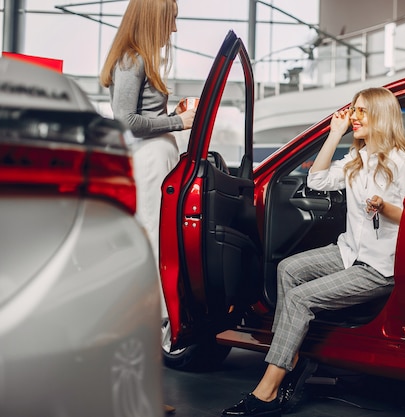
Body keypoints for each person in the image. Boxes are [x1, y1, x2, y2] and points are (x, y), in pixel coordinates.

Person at [222, 87, 405, 417]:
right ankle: (293, 357)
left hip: (378, 267)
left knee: (300, 299)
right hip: (348, 253)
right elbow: (316, 181)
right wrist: (334, 133)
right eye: (353, 111)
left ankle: (268, 389)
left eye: (362, 111)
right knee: (287, 269)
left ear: (382, 116)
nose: (354, 117)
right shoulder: (357, 160)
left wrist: (385, 208)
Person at [99, 0, 195, 414]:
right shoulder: (132, 57)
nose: (175, 22)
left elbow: (142, 116)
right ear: (156, 15)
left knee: (159, 254)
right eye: (171, 14)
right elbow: (126, 120)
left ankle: (142, 382)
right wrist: (179, 123)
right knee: (154, 254)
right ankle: (147, 362)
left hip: (160, 159)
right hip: (151, 162)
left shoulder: (141, 58)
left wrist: (172, 115)